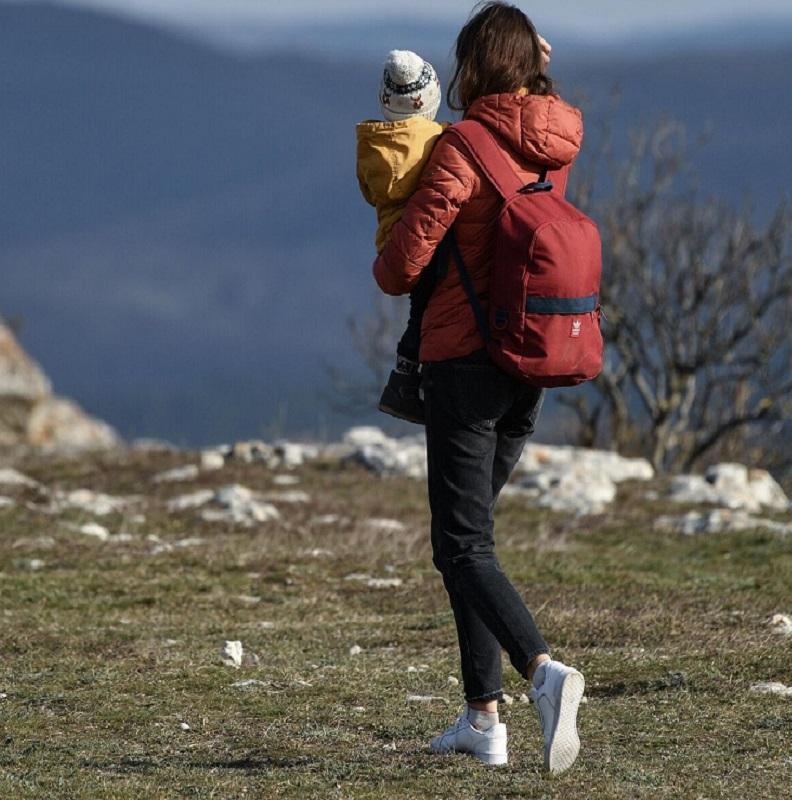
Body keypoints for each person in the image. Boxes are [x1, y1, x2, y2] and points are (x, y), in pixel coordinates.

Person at [371, 1, 585, 773]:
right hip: (530, 365)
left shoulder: (461, 149)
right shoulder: (555, 144)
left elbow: (399, 268)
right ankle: (482, 719)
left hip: (465, 366)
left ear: (472, 67)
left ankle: (543, 673)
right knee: (469, 546)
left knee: (461, 545)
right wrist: (538, 66)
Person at [356, 49, 447, 424]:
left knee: (418, 309)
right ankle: (409, 382)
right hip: (426, 241)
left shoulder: (371, 146)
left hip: (391, 244)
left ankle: (406, 375)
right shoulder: (438, 140)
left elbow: (368, 192)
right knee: (427, 308)